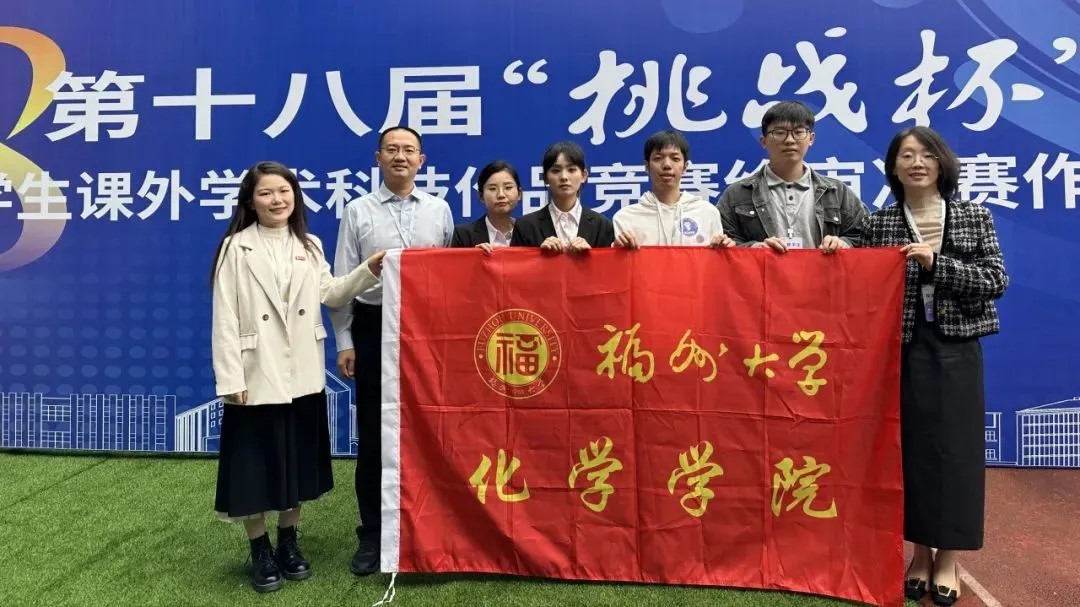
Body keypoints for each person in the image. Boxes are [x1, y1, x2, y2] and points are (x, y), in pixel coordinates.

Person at [209, 161, 386, 593]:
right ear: (251, 200)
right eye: (266, 193)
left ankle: (288, 542)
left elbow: (331, 293)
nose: (277, 200)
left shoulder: (309, 244)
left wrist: (367, 270)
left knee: (296, 464)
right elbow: (224, 318)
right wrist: (231, 379)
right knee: (253, 467)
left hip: (302, 371)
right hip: (256, 371)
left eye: (284, 191)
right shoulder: (236, 247)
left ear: (295, 197)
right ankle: (260, 549)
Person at [860, 126, 1007, 606]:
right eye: (906, 155)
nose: (917, 162)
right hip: (902, 348)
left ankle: (949, 556)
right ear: (893, 167)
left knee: (956, 452)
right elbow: (857, 279)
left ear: (942, 163)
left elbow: (995, 279)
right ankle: (920, 553)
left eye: (926, 154)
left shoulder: (973, 216)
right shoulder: (880, 222)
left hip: (957, 346)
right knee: (912, 452)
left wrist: (936, 263)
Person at [330, 126, 454, 576]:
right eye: (392, 150)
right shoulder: (357, 211)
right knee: (375, 432)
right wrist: (345, 341)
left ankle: (429, 524)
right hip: (373, 324)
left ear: (422, 160)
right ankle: (373, 533)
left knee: (429, 428)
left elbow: (451, 275)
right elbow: (343, 281)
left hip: (427, 331)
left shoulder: (439, 210)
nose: (400, 157)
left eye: (409, 150)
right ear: (377, 157)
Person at [716, 100, 867, 253]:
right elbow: (721, 240)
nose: (789, 140)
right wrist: (754, 248)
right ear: (763, 141)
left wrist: (842, 243)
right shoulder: (737, 194)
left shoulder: (836, 192)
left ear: (811, 138)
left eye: (798, 132)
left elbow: (865, 235)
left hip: (822, 269)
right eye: (779, 133)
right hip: (763, 269)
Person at [613, 129, 734, 248]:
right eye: (658, 158)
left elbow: (715, 260)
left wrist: (724, 250)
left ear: (685, 166)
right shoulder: (625, 218)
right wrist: (617, 251)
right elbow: (621, 261)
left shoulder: (707, 213)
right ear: (646, 166)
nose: (667, 165)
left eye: (675, 159)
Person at [510, 141, 614, 251]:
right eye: (556, 171)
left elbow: (609, 262)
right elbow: (515, 261)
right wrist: (540, 256)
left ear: (584, 175)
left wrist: (590, 256)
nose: (564, 177)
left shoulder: (602, 226)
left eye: (571, 170)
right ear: (545, 178)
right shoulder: (526, 226)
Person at [451, 160, 521, 253]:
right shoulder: (463, 235)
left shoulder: (529, 233)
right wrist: (473, 256)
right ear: (481, 196)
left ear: (519, 194)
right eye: (492, 188)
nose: (501, 194)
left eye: (508, 187)